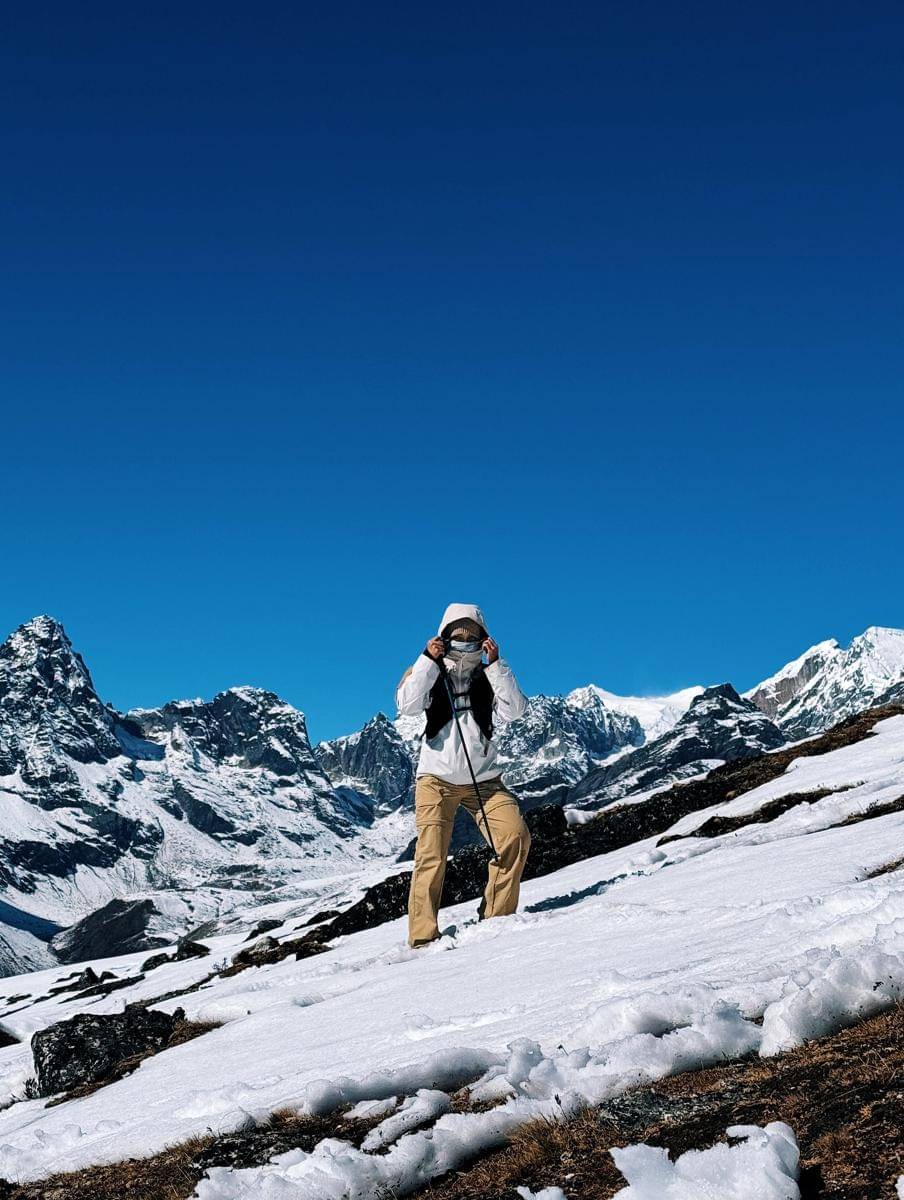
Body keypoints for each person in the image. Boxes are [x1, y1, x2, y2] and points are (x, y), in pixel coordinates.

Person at [396, 603, 531, 947]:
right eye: (457, 636)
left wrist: (496, 665)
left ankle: (496, 919)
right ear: (443, 637)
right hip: (435, 781)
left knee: (515, 836)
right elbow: (407, 704)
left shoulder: (490, 676)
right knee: (431, 855)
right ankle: (423, 938)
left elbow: (516, 711)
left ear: (483, 639)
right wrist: (428, 660)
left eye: (471, 637)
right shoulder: (427, 670)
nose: (464, 641)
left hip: (484, 782)